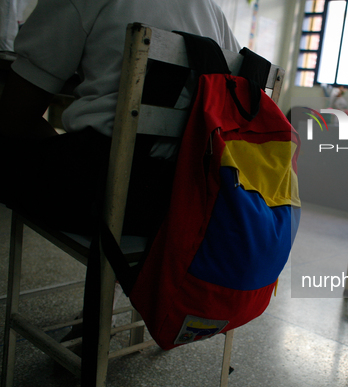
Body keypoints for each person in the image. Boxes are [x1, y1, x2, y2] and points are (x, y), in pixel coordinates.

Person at [0, 0, 240, 236]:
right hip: (189, 195)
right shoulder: (211, 10)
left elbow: (15, 117)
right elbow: (239, 80)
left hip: (102, 193)